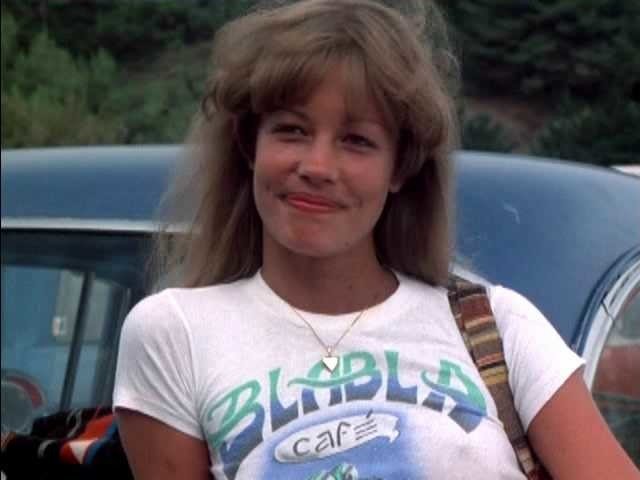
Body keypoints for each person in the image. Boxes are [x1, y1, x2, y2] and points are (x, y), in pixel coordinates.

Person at [113, 1, 639, 479]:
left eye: (356, 141)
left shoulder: (497, 327)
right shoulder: (174, 334)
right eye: (292, 130)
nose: (317, 166)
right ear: (250, 145)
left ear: (400, 168)